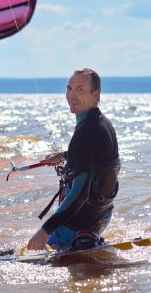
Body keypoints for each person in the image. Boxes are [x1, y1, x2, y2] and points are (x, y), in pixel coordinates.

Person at [26, 68, 121, 250]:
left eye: (80, 89)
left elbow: (80, 195)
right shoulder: (101, 122)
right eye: (69, 89)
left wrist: (44, 230)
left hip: (78, 221)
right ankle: (87, 236)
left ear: (95, 94)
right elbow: (95, 157)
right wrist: (64, 155)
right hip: (101, 217)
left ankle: (81, 238)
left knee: (30, 256)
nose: (71, 95)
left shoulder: (86, 132)